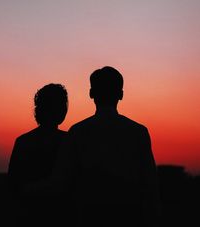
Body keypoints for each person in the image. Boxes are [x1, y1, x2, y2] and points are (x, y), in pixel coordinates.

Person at [58, 66, 161, 227]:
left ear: (91, 94)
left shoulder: (77, 132)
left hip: (89, 216)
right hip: (130, 216)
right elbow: (150, 185)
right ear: (121, 95)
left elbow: (63, 181)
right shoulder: (139, 132)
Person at [7, 83, 68, 225]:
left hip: (29, 213)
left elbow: (13, 184)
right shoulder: (69, 141)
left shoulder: (23, 141)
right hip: (59, 214)